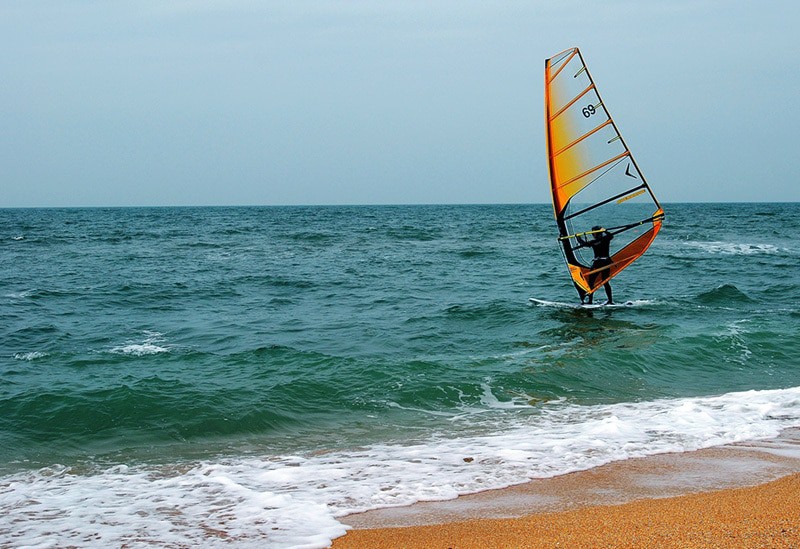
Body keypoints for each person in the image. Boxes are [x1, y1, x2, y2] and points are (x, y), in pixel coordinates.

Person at [576, 226, 614, 305]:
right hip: (604, 262)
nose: (593, 234)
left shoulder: (605, 239)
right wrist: (578, 237)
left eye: (594, 232)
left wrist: (605, 231)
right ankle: (608, 300)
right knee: (602, 282)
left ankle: (594, 301)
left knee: (594, 282)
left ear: (598, 233)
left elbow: (611, 236)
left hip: (602, 262)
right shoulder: (595, 241)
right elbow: (584, 244)